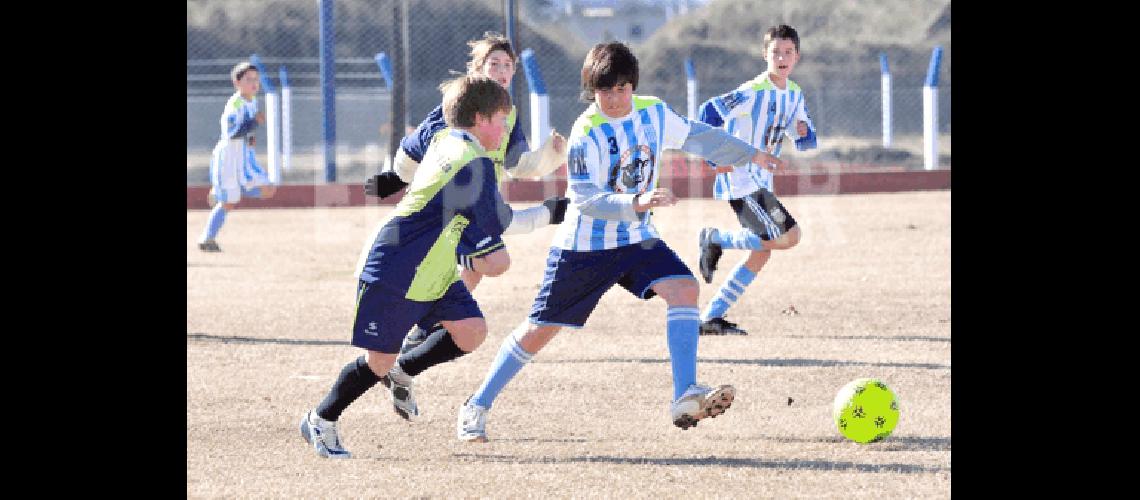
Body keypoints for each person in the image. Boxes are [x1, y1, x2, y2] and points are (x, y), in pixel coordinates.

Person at [454, 41, 787, 443]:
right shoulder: (586, 130)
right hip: (583, 248)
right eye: (604, 91)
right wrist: (637, 200)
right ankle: (476, 405)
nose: (612, 99)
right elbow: (585, 198)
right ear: (592, 91)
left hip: (635, 238)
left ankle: (685, 394)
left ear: (633, 86)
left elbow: (697, 137)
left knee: (684, 289)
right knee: (539, 330)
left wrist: (749, 153)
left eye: (620, 89)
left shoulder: (654, 112)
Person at [299, 75, 517, 458]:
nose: (504, 129)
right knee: (377, 361)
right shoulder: (476, 164)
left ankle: (405, 370)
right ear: (481, 118)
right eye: (501, 119)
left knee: (470, 331)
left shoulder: (445, 139)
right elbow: (496, 243)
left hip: (433, 267)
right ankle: (321, 419)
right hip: (397, 268)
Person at [364, 32, 568, 422]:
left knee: (472, 272)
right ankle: (405, 348)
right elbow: (412, 149)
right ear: (477, 69)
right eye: (494, 64)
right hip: (451, 204)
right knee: (489, 261)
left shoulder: (506, 114)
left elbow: (518, 165)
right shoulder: (454, 109)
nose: (503, 71)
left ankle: (409, 352)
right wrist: (398, 178)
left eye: (508, 66)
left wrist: (549, 157)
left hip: (478, 203)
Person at [694, 24, 817, 335]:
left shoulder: (795, 93)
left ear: (797, 57)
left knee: (762, 252)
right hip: (741, 180)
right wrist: (713, 158)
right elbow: (708, 112)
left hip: (762, 181)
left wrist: (803, 134)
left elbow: (804, 137)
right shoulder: (752, 92)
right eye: (775, 51)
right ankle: (716, 238)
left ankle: (711, 317)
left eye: (788, 52)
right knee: (790, 237)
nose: (782, 57)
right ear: (765, 55)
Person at [196, 61, 277, 252]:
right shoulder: (235, 104)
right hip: (229, 159)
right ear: (237, 83)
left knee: (268, 190)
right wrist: (252, 124)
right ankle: (207, 238)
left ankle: (221, 192)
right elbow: (232, 133)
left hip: (244, 157)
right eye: (248, 79)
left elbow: (246, 132)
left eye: (256, 79)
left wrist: (251, 137)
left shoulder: (252, 100)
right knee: (229, 202)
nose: (254, 83)